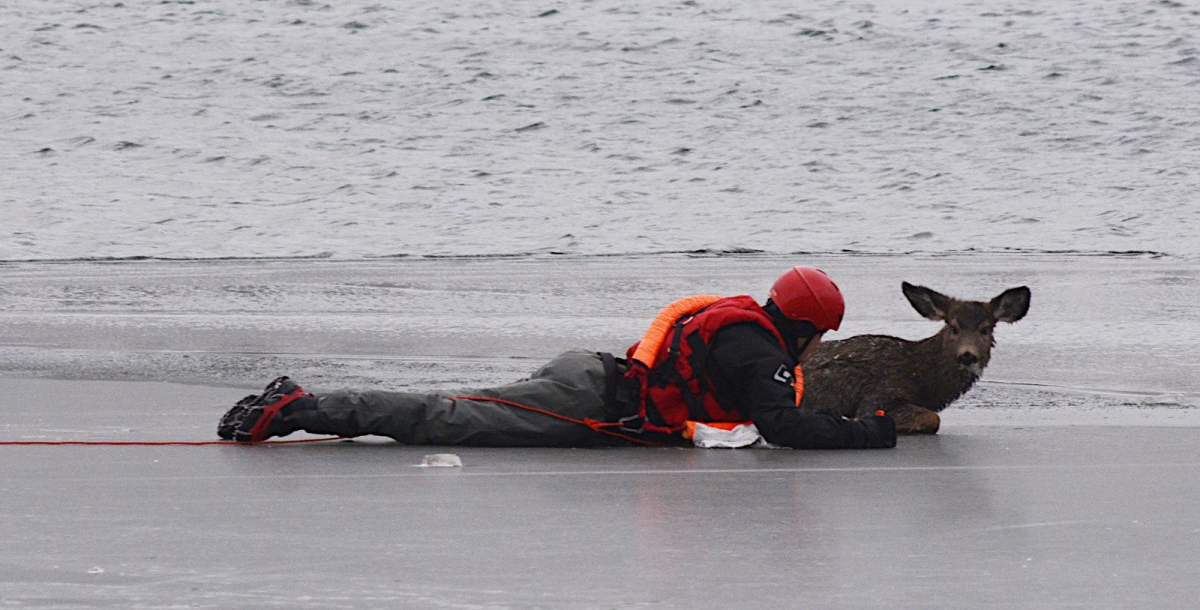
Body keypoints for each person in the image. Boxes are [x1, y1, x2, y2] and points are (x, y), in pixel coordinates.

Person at [217, 266, 897, 449]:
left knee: (454, 409)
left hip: (591, 375)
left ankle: (304, 399)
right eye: (822, 335)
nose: (819, 347)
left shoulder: (744, 327)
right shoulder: (764, 355)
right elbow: (783, 424)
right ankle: (296, 408)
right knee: (443, 418)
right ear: (807, 328)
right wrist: (872, 433)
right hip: (587, 403)